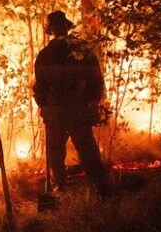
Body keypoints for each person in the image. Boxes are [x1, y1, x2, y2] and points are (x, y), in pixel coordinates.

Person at [33, 10, 108, 196]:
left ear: (52, 29)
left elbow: (39, 87)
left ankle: (61, 192)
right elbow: (96, 81)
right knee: (84, 152)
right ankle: (101, 190)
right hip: (73, 112)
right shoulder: (81, 50)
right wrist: (92, 102)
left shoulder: (46, 54)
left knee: (58, 155)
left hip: (60, 113)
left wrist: (45, 106)